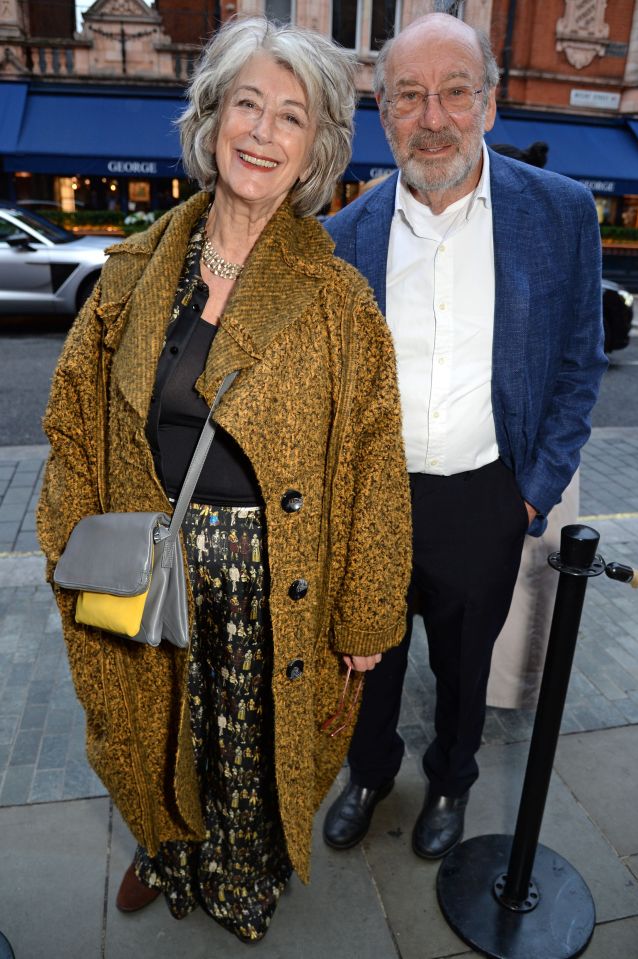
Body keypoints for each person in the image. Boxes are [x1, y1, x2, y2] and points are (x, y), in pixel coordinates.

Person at [37, 18, 411, 943]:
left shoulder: (338, 299)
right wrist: (68, 545)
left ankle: (241, 877)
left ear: (314, 150)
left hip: (267, 570)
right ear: (212, 120)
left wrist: (366, 611)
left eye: (291, 116)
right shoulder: (132, 271)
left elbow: (373, 452)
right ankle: (165, 846)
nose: (262, 131)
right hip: (143, 555)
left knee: (246, 746)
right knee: (149, 724)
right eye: (247, 104)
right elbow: (74, 421)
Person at [322, 12, 606, 861]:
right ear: (383, 115)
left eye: (454, 91)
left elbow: (577, 364)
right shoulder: (342, 240)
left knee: (463, 668)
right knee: (362, 665)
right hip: (373, 503)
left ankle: (451, 780)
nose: (433, 115)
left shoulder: (558, 214)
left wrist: (528, 492)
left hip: (486, 494)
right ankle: (368, 773)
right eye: (409, 95)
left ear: (488, 104)